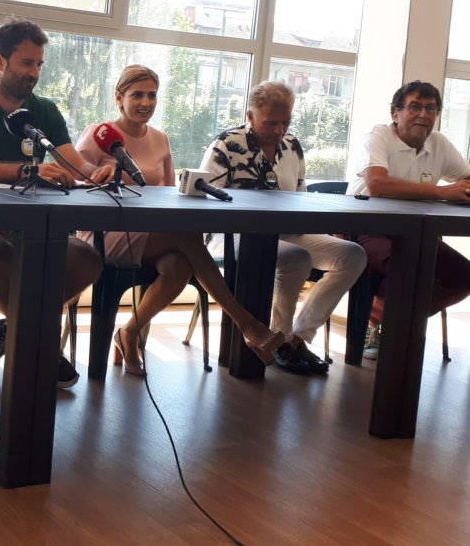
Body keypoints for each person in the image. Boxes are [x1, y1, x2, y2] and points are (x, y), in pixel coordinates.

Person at [75, 65, 285, 375]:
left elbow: (168, 194)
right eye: (137, 95)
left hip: (151, 233)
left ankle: (129, 332)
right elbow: (75, 182)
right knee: (186, 238)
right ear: (119, 97)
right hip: (105, 234)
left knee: (180, 265)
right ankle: (248, 325)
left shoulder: (160, 139)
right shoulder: (99, 135)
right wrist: (97, 177)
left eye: (152, 95)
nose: (146, 102)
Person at [0, 18, 114, 388]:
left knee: (88, 260)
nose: (34, 73)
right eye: (26, 63)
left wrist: (96, 171)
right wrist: (25, 171)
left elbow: (73, 162)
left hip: (34, 223)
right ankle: (40, 345)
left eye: (39, 64)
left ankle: (9, 329)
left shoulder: (44, 111)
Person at [201, 81, 367, 375]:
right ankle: (280, 341)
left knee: (352, 255)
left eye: (286, 122)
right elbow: (206, 200)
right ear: (250, 116)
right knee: (295, 257)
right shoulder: (225, 144)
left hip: (286, 232)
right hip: (230, 235)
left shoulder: (292, 146)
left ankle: (298, 338)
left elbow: (299, 196)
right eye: (270, 123)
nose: (279, 130)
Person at [347, 80, 470, 359]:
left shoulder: (439, 143)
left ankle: (387, 321)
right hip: (363, 227)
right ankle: (380, 324)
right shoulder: (378, 135)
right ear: (395, 113)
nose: (423, 115)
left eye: (431, 108)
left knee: (463, 276)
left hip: (414, 233)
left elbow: (466, 178)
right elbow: (378, 185)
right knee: (407, 263)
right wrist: (442, 192)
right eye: (415, 107)